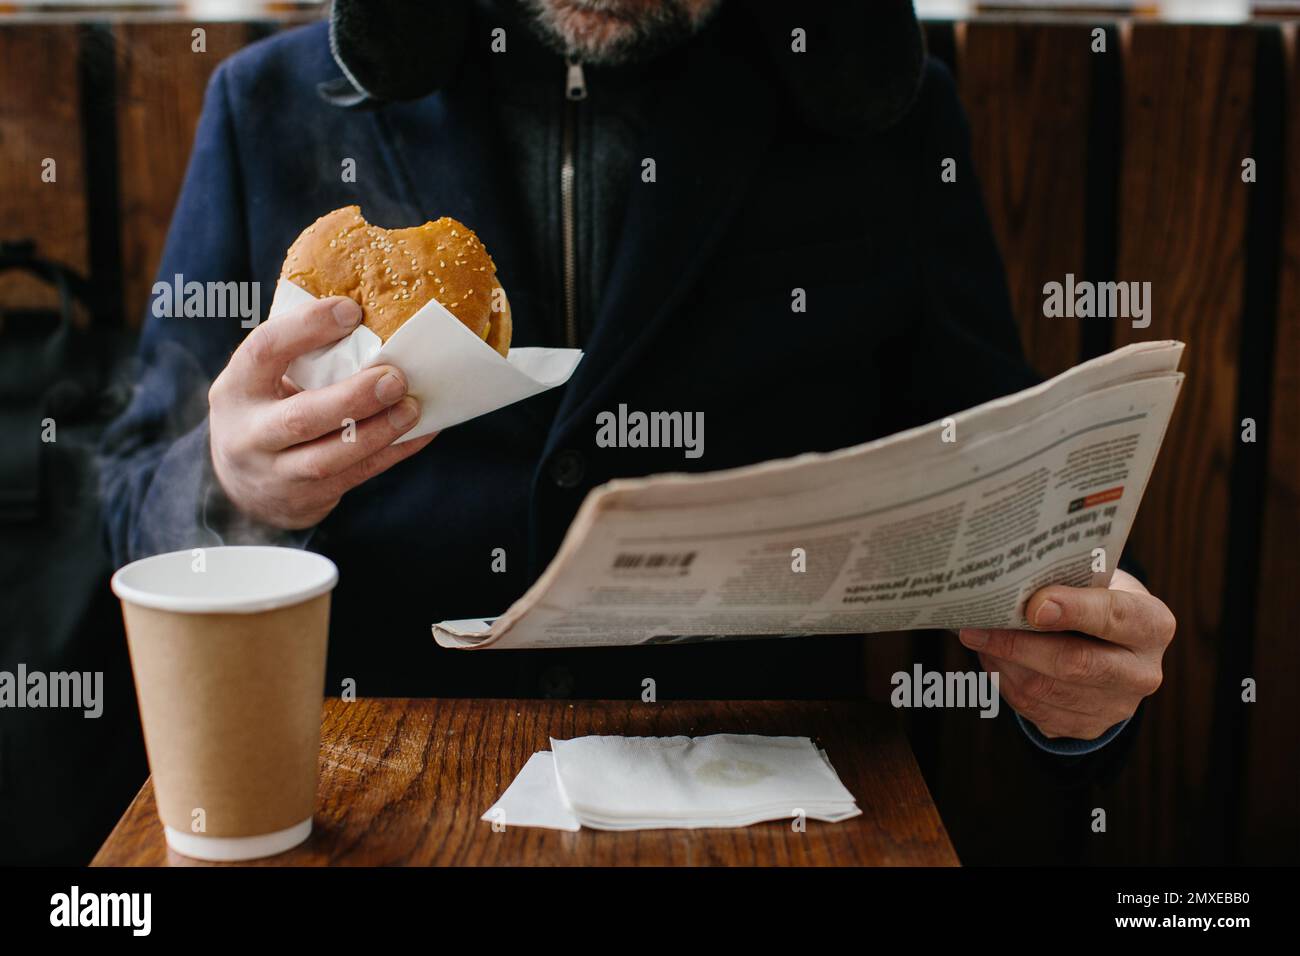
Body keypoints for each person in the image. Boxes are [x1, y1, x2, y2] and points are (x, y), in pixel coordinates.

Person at [99, 0, 1174, 754]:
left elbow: (1007, 502)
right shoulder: (265, 105)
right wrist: (229, 483)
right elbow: (131, 501)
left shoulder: (887, 117)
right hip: (372, 774)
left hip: (773, 793)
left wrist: (1073, 684)